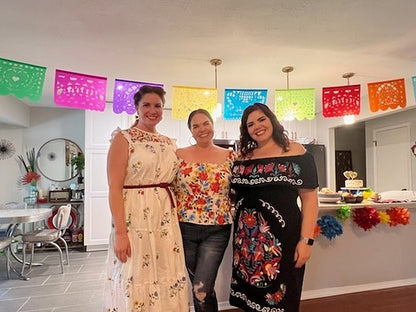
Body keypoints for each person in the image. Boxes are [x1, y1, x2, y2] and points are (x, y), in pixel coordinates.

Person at [104, 85, 189, 311]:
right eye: (147, 105)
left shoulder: (170, 142)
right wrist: (121, 233)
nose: (153, 110)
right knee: (138, 271)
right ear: (137, 108)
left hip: (164, 216)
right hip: (135, 215)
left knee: (166, 269)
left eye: (158, 105)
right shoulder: (123, 139)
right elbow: (114, 188)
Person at [229, 103, 319, 312]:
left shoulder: (295, 151)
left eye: (262, 119)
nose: (257, 127)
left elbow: (310, 199)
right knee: (250, 297)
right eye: (250, 124)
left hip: (282, 240)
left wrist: (306, 241)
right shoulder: (243, 156)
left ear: (272, 120)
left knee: (281, 300)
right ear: (246, 130)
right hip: (246, 241)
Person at [174, 109, 235, 312]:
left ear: (213, 124)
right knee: (201, 288)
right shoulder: (178, 155)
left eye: (205, 123)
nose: (202, 129)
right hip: (184, 229)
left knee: (202, 287)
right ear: (190, 131)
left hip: (217, 229)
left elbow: (241, 189)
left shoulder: (230, 156)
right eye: (196, 126)